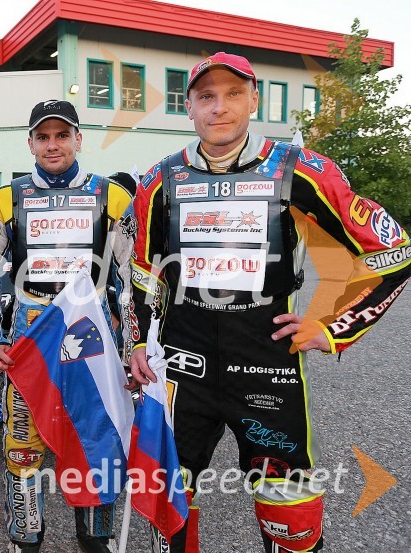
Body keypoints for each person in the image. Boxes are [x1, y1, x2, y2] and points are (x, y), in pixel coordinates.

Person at [125, 52, 411, 553]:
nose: (219, 108)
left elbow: (394, 253)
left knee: (290, 512)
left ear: (254, 100)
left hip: (268, 364)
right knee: (168, 501)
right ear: (188, 107)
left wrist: (333, 328)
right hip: (182, 366)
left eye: (233, 94)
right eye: (206, 96)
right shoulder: (159, 179)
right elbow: (142, 271)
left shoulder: (300, 169)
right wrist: (136, 343)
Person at [0, 100, 136, 553]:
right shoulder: (5, 198)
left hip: (91, 335)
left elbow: (131, 278)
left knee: (94, 436)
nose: (52, 145)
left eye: (62, 135)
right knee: (23, 446)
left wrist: (133, 346)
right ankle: (25, 538)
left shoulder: (113, 196)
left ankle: (95, 538)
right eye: (43, 137)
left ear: (78, 139)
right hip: (30, 334)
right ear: (30, 143)